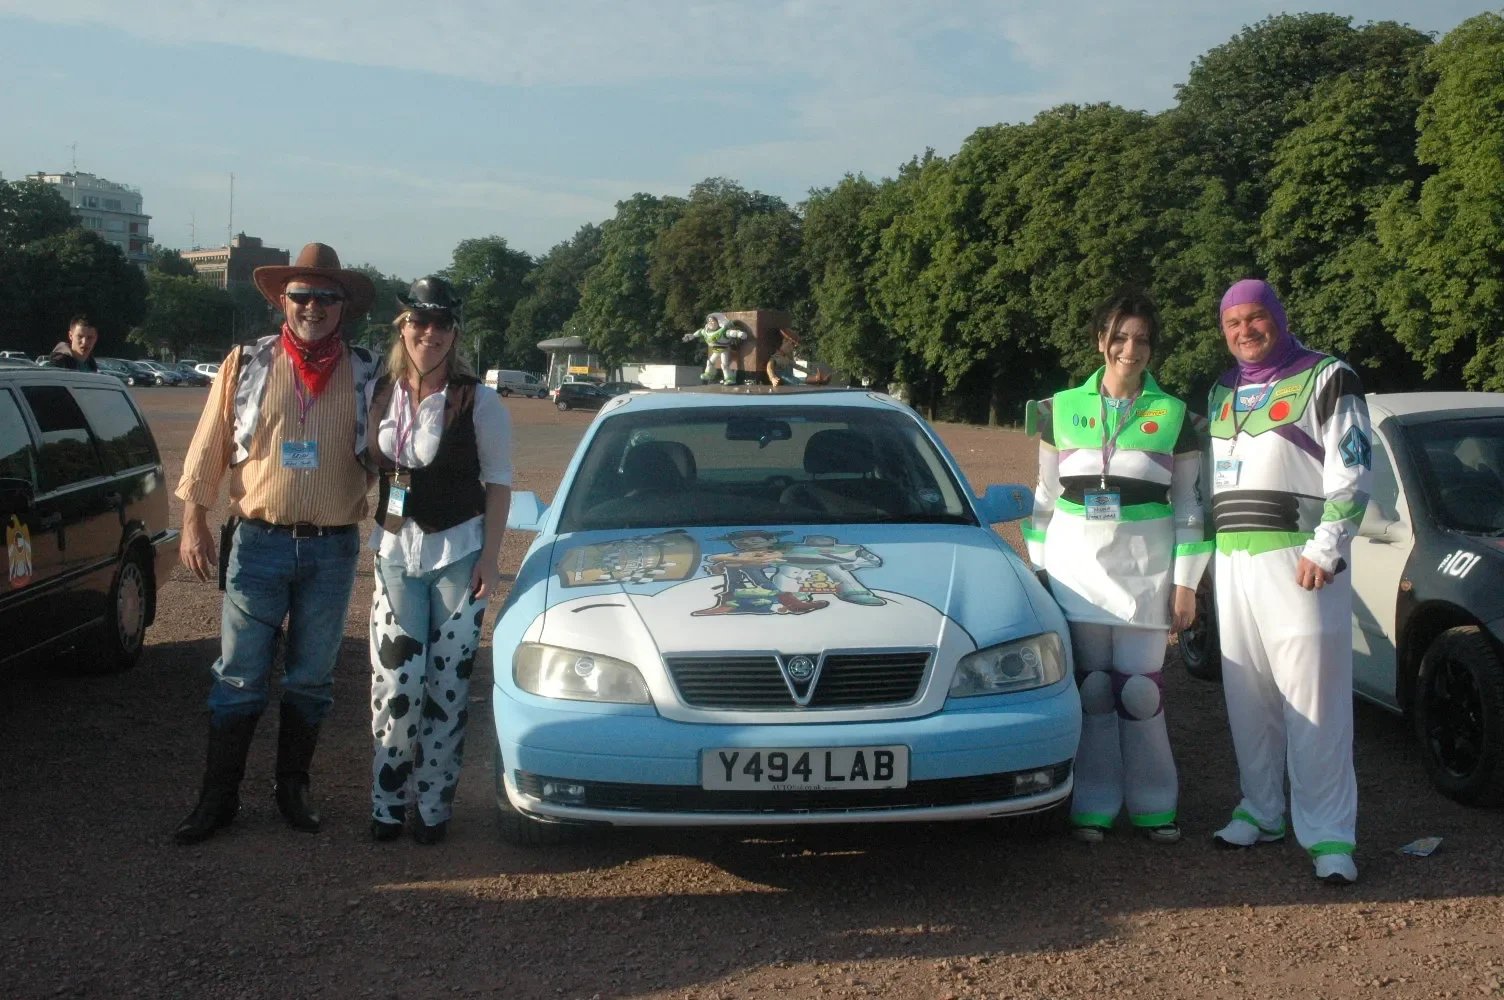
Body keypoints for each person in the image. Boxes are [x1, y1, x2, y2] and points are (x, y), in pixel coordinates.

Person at [172, 243, 381, 845]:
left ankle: (293, 789)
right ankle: (218, 799)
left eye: (326, 297)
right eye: (301, 296)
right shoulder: (247, 363)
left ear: (344, 307)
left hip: (332, 548)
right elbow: (210, 442)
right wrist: (194, 519)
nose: (313, 307)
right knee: (238, 673)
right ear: (281, 301)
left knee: (312, 677)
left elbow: (398, 446)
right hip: (258, 542)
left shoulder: (368, 372)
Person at [1024, 287, 1211, 845]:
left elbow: (1188, 505)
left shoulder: (1175, 414)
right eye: (1121, 336)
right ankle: (1094, 804)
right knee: (1095, 689)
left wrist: (1186, 585)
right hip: (1074, 565)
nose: (1131, 348)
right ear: (1100, 340)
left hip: (1146, 567)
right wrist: (1040, 570)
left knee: (1140, 691)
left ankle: (1156, 803)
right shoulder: (1058, 408)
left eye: (1143, 339)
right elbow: (1043, 497)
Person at [1207, 278, 1372, 885]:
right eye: (1233, 324)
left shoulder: (1329, 376)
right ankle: (1262, 808)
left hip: (1299, 560)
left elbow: (1353, 467)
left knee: (1315, 702)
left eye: (1256, 319)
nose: (1245, 332)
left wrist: (1327, 549)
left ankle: (1330, 834)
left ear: (1277, 316)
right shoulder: (1221, 389)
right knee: (1247, 695)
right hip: (1234, 562)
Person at [365, 276, 512, 845]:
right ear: (402, 326)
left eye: (442, 323)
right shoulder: (380, 392)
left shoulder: (479, 399)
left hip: (458, 552)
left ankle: (433, 805)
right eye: (419, 321)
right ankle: (386, 801)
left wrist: (491, 559)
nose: (429, 333)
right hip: (395, 551)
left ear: (455, 332)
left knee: (447, 688)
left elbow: (498, 484)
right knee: (396, 682)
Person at [766, 329, 831, 387]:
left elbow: (796, 366)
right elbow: (769, 367)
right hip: (784, 377)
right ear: (784, 341)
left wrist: (811, 372)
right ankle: (816, 380)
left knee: (797, 379)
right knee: (796, 381)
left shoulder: (785, 358)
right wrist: (773, 378)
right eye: (791, 344)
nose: (791, 348)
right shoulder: (775, 357)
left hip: (789, 376)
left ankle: (817, 379)